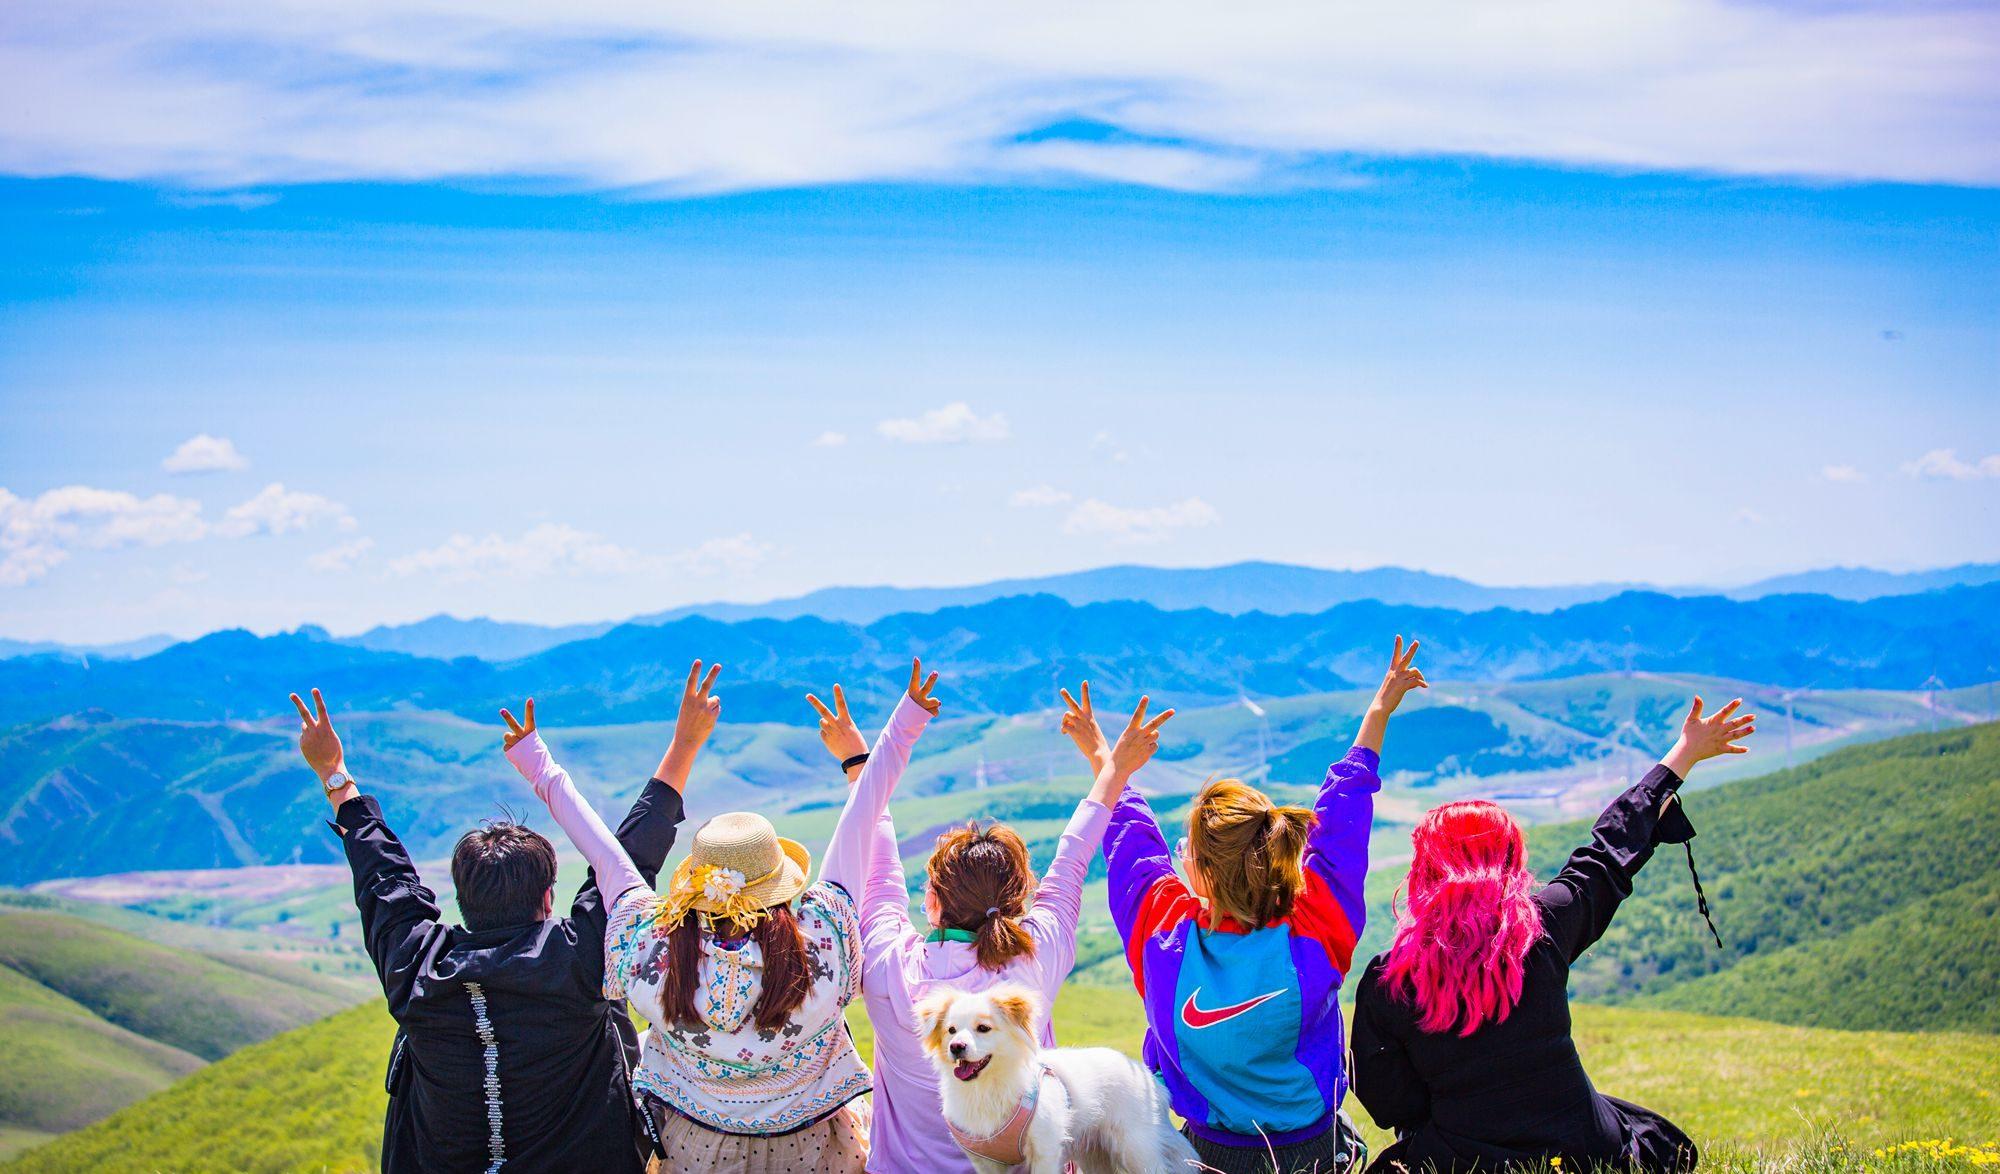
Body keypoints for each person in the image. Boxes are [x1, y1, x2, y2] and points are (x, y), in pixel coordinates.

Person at [289, 677, 696, 1173]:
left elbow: (385, 880)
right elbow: (629, 861)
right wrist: (683, 746)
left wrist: (335, 774)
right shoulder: (578, 959)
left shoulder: (419, 968)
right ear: (548, 898)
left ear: (462, 901)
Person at [1350, 695, 1756, 1174]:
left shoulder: (1389, 980)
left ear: (1425, 869)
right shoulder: (1543, 927)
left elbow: (1388, 1103)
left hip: (1463, 1159)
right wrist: (1682, 754)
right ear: (1508, 858)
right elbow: (1607, 855)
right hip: (1589, 1150)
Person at [504, 663, 876, 1174]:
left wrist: (537, 763)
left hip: (695, 1150)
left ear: (697, 885)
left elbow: (604, 851)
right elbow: (865, 821)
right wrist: (862, 757)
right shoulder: (821, 940)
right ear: (778, 882)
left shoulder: (653, 951)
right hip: (816, 1146)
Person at [811, 661, 1174, 1173]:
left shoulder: (888, 960)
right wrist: (1111, 766)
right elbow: (1073, 855)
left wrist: (858, 763)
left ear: (932, 900)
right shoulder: (1035, 957)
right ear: (1019, 898)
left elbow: (878, 862)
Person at [1102, 636, 1428, 1174]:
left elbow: (1131, 845)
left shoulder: (1164, 938)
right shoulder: (1316, 926)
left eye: (1187, 851)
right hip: (1313, 1150)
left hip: (1207, 1154)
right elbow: (1342, 821)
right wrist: (1378, 713)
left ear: (1203, 873)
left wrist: (1107, 764)